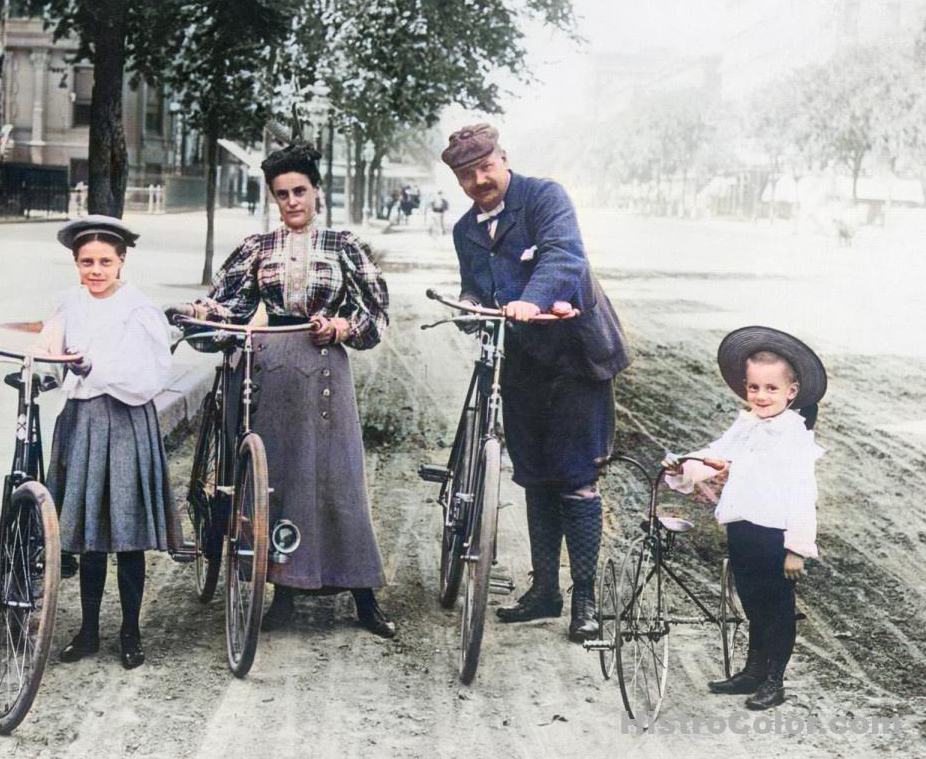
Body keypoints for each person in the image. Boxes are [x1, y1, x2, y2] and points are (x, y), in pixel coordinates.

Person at [166, 143, 395, 638]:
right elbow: (227, 303)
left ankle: (363, 596)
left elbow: (375, 316)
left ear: (317, 192)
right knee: (278, 483)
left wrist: (339, 327)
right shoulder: (258, 248)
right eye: (281, 194)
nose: (292, 201)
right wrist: (202, 313)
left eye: (300, 191)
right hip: (268, 366)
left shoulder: (344, 246)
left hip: (325, 368)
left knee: (339, 480)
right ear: (273, 198)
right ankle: (284, 593)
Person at [441, 123, 631, 642]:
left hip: (573, 359)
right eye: (466, 174)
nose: (480, 179)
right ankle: (545, 589)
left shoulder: (545, 197)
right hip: (519, 363)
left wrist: (533, 297)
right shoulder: (465, 231)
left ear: (504, 158)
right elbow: (474, 287)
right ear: (457, 180)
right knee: (534, 474)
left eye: (486, 167)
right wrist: (472, 308)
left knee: (576, 478)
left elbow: (564, 257)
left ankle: (586, 602)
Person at [39, 215, 180, 670]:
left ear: (122, 261)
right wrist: (49, 365)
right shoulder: (68, 303)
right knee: (90, 534)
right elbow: (50, 351)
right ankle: (88, 629)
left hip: (123, 420)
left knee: (127, 532)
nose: (95, 271)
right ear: (75, 264)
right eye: (86, 263)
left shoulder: (138, 310)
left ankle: (131, 630)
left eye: (104, 261)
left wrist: (94, 368)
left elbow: (150, 375)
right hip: (81, 422)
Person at [663, 327, 826, 710]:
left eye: (771, 389)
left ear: (792, 391)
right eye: (754, 388)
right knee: (751, 601)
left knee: (777, 606)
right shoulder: (746, 424)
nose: (761, 397)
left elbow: (804, 494)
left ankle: (774, 679)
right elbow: (717, 453)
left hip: (775, 533)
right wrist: (684, 465)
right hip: (742, 526)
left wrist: (796, 549)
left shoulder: (794, 436)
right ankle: (752, 671)